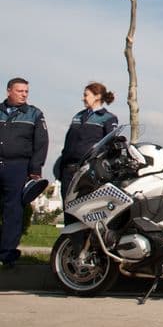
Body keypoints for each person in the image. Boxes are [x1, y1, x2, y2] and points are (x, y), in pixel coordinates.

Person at [0, 78, 48, 268]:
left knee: (13, 212)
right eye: (20, 91)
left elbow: (41, 143)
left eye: (26, 91)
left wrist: (35, 169)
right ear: (9, 91)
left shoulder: (34, 114)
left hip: (18, 167)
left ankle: (8, 255)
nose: (24, 94)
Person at [58, 82, 118, 223]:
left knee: (84, 212)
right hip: (69, 172)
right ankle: (69, 243)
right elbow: (68, 143)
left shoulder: (108, 118)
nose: (83, 98)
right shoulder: (78, 116)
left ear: (97, 96)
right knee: (69, 211)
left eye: (86, 95)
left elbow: (110, 145)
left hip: (88, 172)